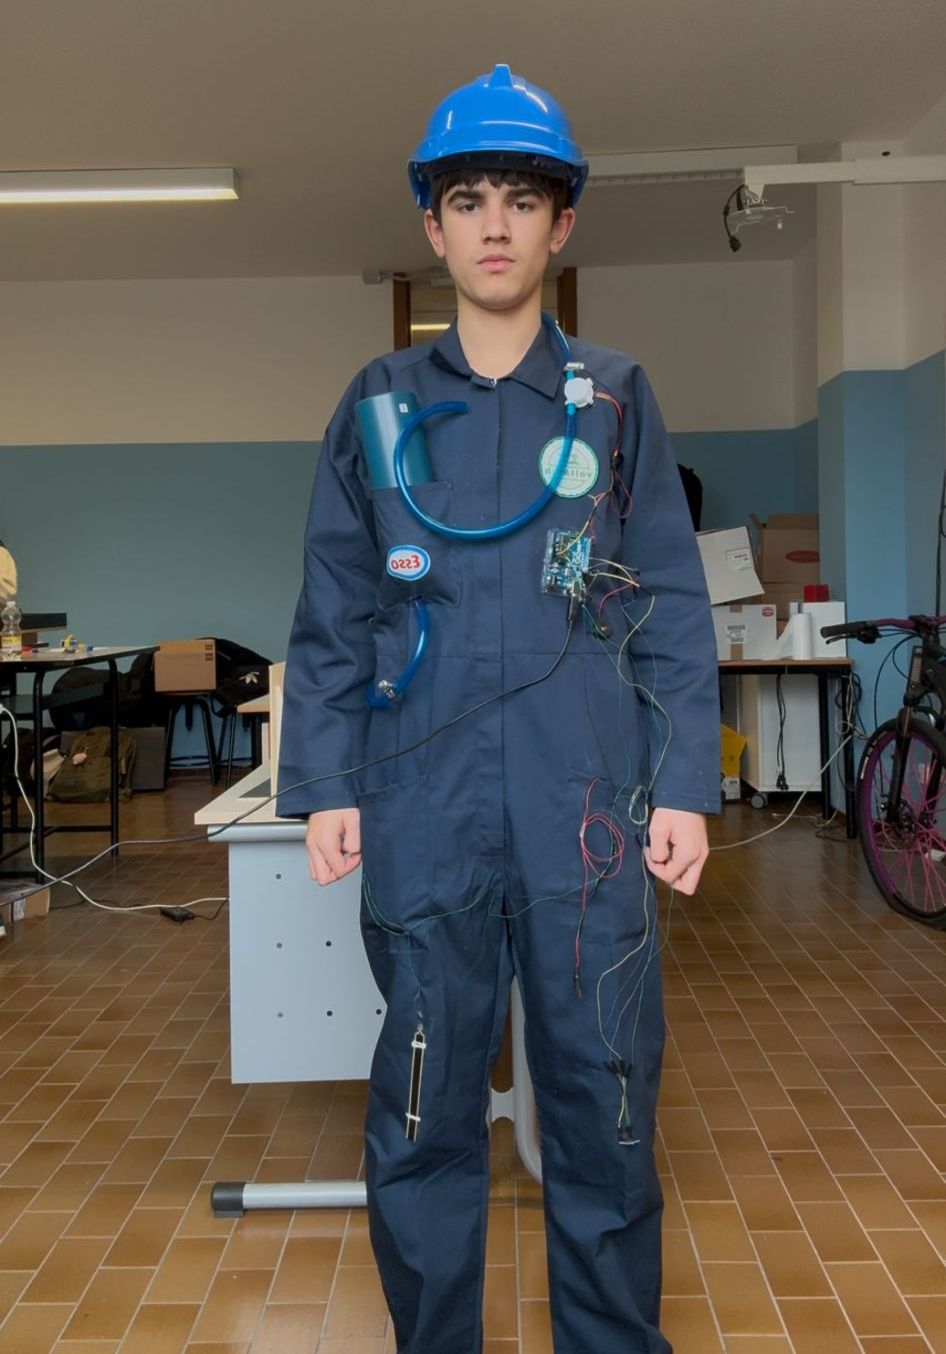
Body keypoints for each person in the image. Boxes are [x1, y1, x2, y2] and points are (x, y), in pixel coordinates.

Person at [279, 63, 719, 1354]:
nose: (493, 224)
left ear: (559, 224)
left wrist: (685, 782)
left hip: (588, 809)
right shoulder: (375, 409)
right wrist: (325, 781)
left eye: (521, 200)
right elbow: (333, 608)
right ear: (432, 225)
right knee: (423, 1107)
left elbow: (669, 602)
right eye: (467, 199)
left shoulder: (616, 399)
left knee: (604, 1102)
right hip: (423, 805)